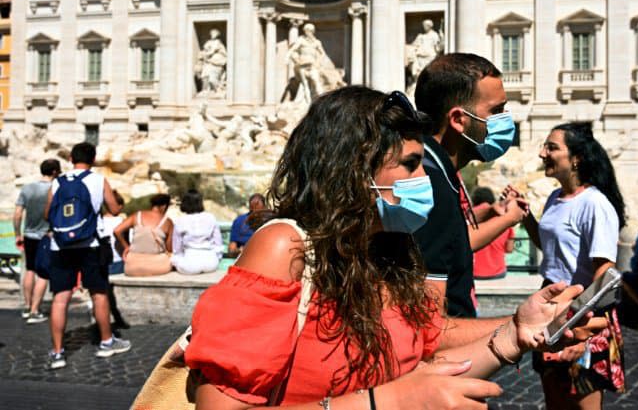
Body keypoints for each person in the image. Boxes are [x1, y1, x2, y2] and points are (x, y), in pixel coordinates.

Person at [184, 86, 592, 409]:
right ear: (355, 169)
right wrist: (387, 401)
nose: (423, 179)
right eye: (410, 165)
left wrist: (517, 333)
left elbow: (426, 336)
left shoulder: (389, 247)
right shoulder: (283, 247)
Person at [515, 122, 626, 409]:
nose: (542, 153)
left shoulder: (595, 204)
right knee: (554, 397)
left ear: (576, 158)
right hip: (551, 307)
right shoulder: (554, 197)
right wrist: (525, 216)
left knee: (581, 400)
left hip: (582, 311)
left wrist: (578, 326)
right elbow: (547, 246)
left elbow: (605, 275)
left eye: (552, 147)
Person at [414, 52, 527, 317]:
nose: (505, 120)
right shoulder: (430, 184)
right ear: (458, 119)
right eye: (497, 111)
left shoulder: (440, 170)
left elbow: (451, 242)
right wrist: (519, 328)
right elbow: (430, 323)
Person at [43, 142, 130, 370]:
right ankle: (106, 342)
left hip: (60, 246)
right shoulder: (98, 179)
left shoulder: (58, 181)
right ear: (93, 159)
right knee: (98, 294)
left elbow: (47, 213)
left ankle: (58, 353)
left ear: (71, 158)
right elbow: (114, 210)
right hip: (90, 244)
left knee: (60, 298)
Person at [14, 158, 61, 324]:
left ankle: (27, 307)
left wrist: (17, 234)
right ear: (55, 172)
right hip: (46, 236)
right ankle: (35, 311)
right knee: (44, 274)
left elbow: (18, 213)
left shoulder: (27, 188)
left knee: (30, 270)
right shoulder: (56, 189)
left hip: (29, 234)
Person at [114, 194, 174, 277]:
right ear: (164, 206)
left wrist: (127, 247)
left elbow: (117, 231)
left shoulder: (137, 215)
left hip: (132, 266)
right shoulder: (167, 221)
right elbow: (169, 248)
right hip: (157, 266)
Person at [171, 190, 222, 275]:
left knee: (173, 259)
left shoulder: (180, 220)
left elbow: (177, 249)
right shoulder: (211, 217)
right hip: (211, 263)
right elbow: (218, 244)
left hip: (189, 264)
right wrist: (216, 258)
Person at [471, 187, 516, 280]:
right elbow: (509, 249)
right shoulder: (503, 217)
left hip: (472, 273)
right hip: (498, 272)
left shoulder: (469, 216)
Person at [102, 192, 130, 330]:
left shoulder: (98, 221)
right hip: (118, 263)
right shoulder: (121, 222)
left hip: (103, 264)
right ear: (117, 206)